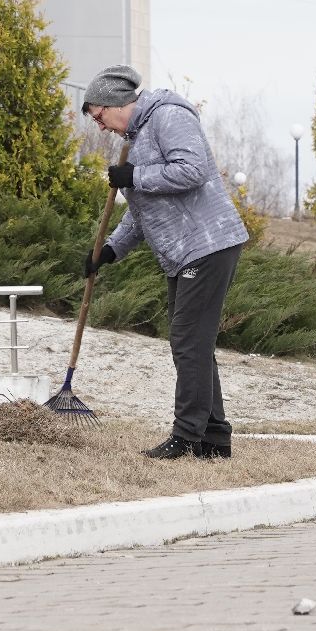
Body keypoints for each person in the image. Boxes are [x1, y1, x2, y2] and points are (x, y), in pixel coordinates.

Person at [81, 64, 248, 460]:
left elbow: (192, 170)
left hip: (208, 243)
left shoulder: (168, 116)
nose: (101, 128)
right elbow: (143, 210)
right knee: (194, 343)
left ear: (115, 103)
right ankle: (214, 438)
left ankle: (186, 434)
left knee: (188, 342)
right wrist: (111, 250)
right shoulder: (137, 138)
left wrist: (135, 176)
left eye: (99, 117)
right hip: (183, 251)